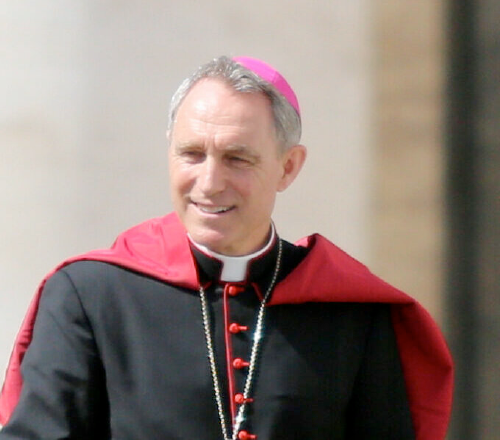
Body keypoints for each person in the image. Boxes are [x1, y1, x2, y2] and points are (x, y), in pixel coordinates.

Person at [0, 56, 453, 440]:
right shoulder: (90, 297)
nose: (210, 183)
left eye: (237, 158)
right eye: (192, 154)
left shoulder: (353, 314)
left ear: (288, 167)